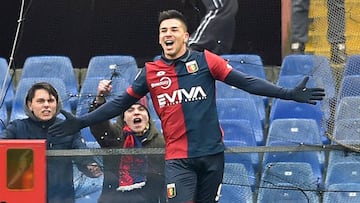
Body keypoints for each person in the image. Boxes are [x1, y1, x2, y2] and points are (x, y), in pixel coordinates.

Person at [49, 9, 325, 202]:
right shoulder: (150, 71)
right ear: (159, 38)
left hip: (212, 156)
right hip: (178, 159)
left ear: (186, 36)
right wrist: (83, 121)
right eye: (163, 31)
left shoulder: (206, 60)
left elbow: (247, 82)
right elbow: (121, 102)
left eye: (174, 30)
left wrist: (288, 93)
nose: (168, 34)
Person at [0, 82, 103, 203]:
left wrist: (91, 165)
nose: (46, 105)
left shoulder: (68, 128)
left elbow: (82, 154)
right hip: (26, 197)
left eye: (50, 101)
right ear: (30, 105)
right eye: (40, 101)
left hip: (61, 197)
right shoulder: (16, 128)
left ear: (57, 104)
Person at [88, 79, 165, 203]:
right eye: (130, 110)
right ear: (123, 118)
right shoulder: (114, 138)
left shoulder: (160, 143)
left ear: (148, 116)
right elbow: (98, 125)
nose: (136, 113)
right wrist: (100, 99)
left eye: (141, 109)